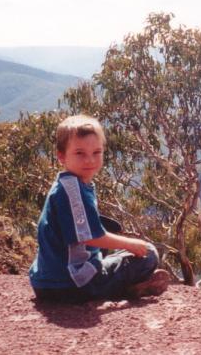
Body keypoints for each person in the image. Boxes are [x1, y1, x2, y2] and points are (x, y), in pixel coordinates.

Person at [29, 115, 169, 303]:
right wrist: (129, 244)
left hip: (45, 283)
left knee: (112, 239)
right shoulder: (73, 193)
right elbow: (91, 237)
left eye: (96, 152)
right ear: (61, 156)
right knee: (149, 253)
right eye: (80, 153)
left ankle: (119, 285)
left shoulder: (65, 184)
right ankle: (127, 290)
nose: (90, 160)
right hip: (72, 286)